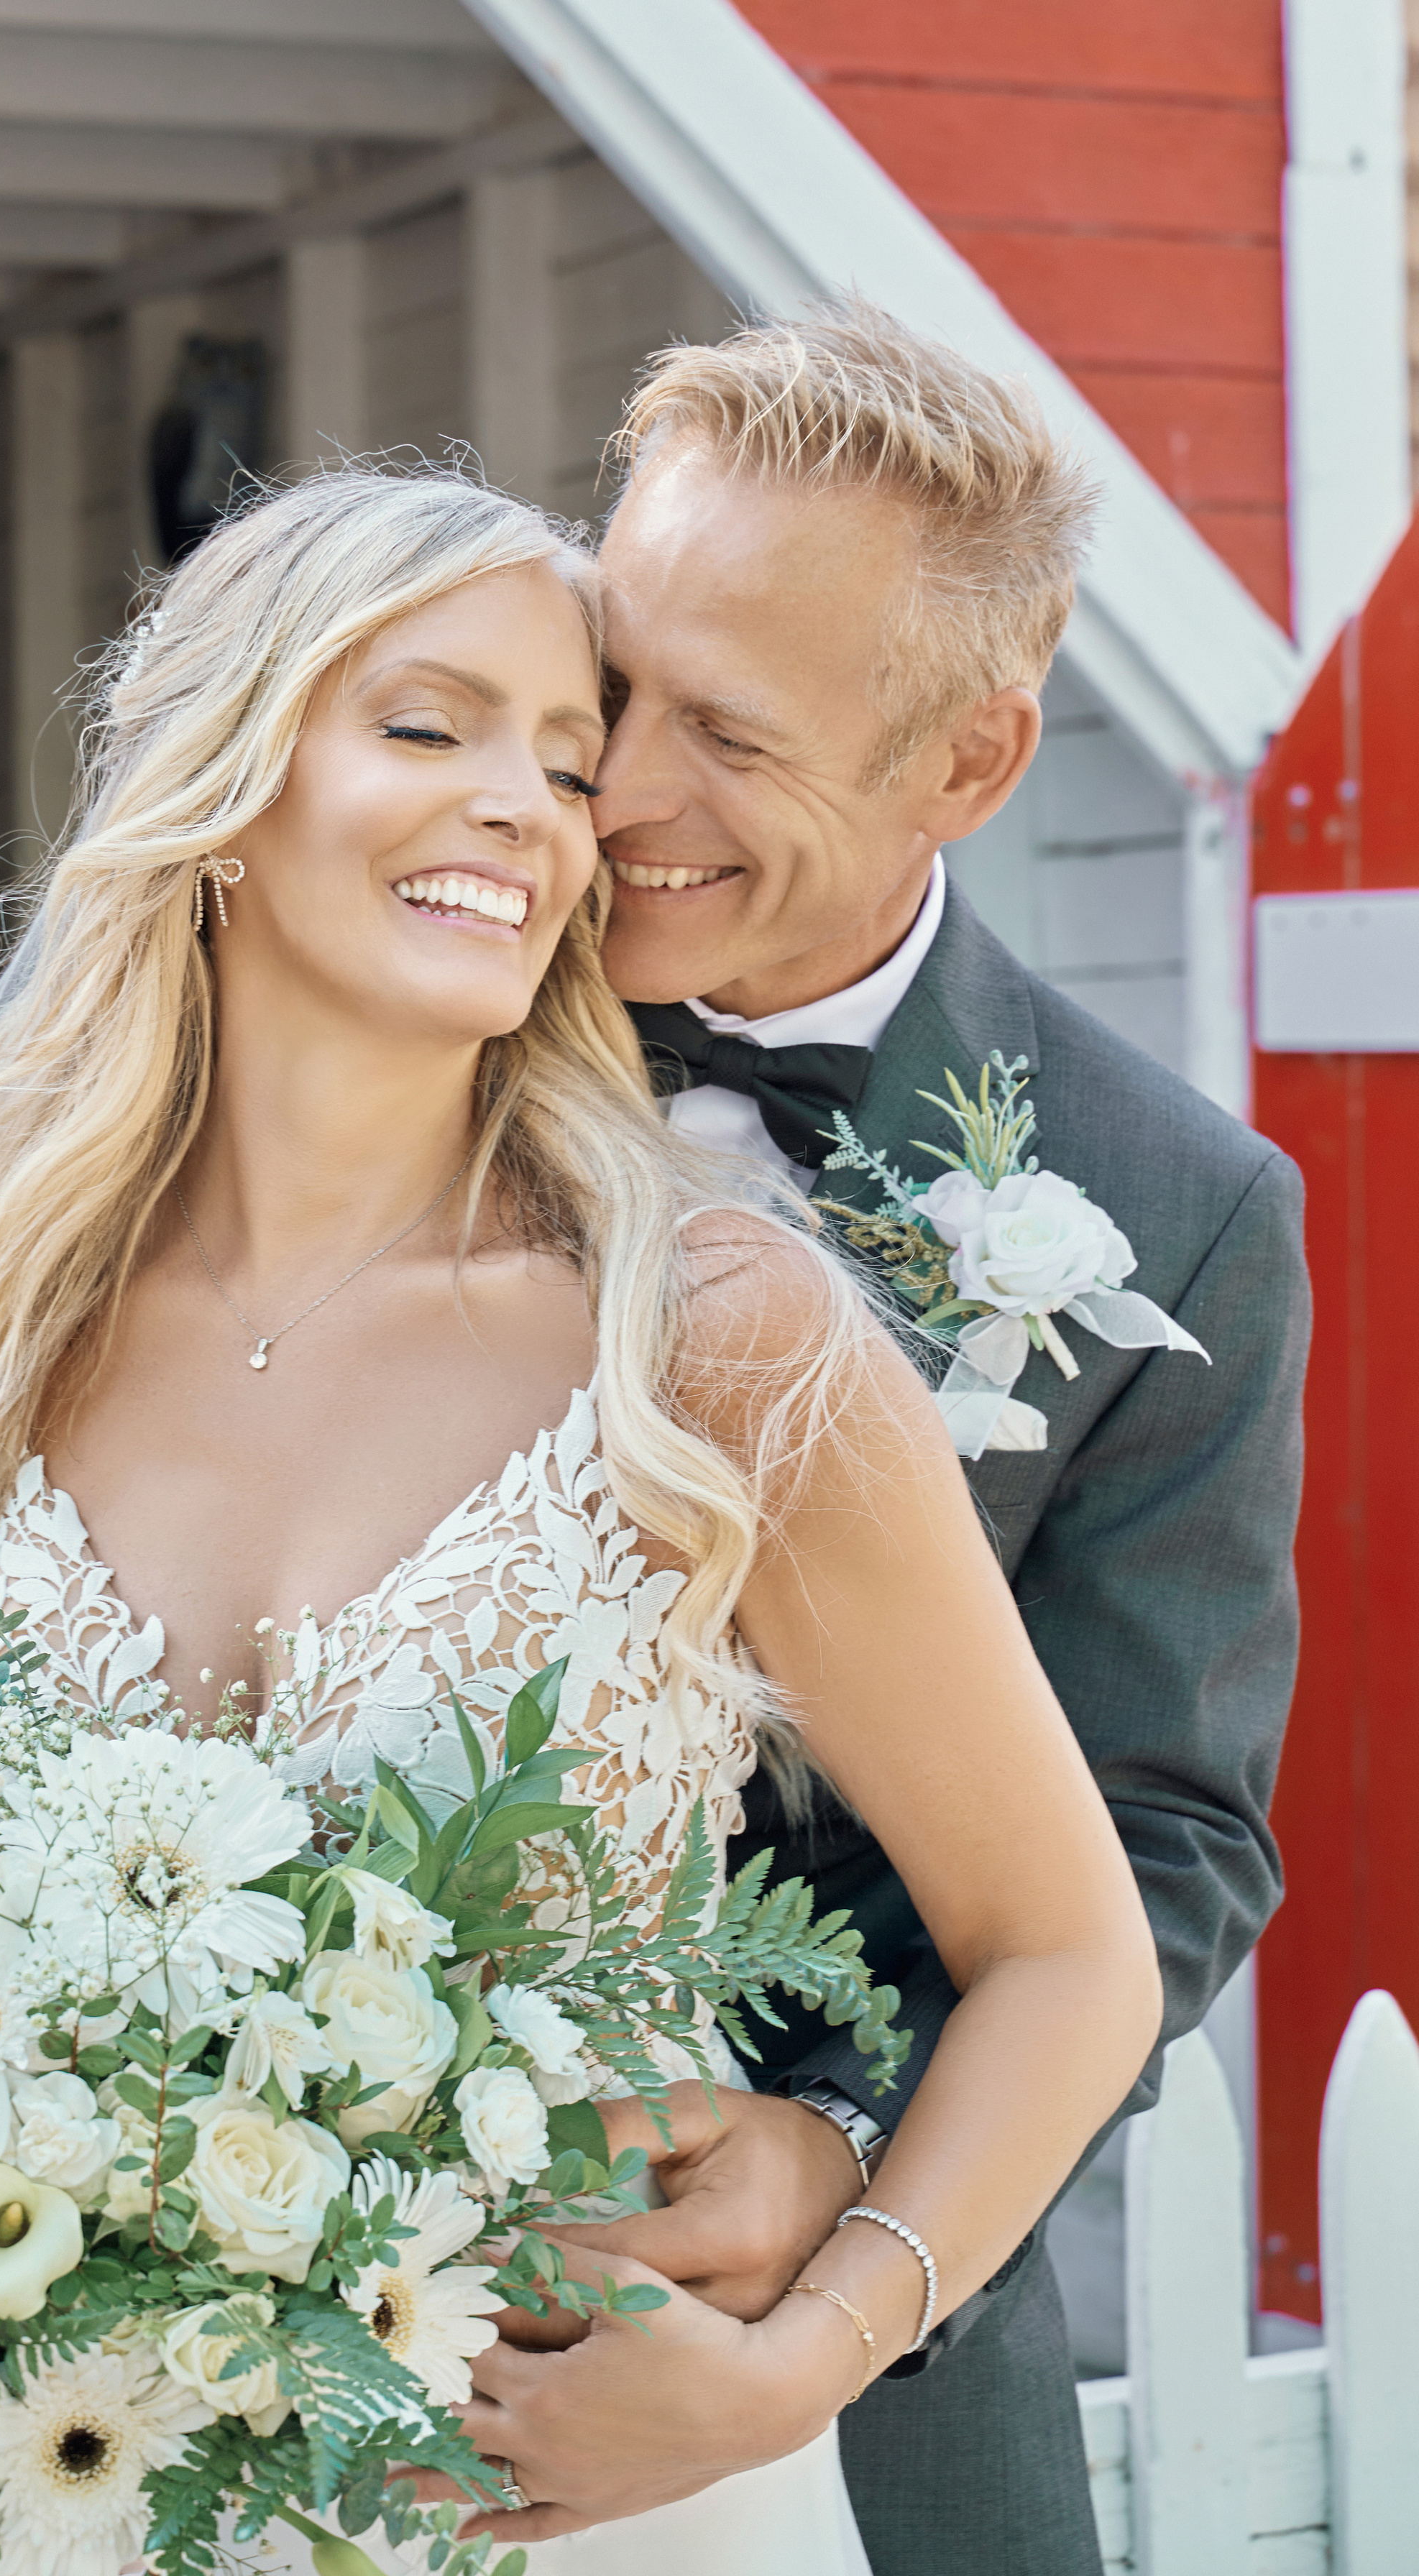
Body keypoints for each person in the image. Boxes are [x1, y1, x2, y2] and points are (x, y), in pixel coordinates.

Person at [0, 465, 1162, 2573]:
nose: (530, 803)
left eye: (566, 766)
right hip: (59, 2486)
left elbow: (1070, 1954)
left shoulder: (709, 1337)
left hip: (579, 2501)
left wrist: (810, 2353)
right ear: (222, 780)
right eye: (429, 726)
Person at [454, 307, 1310, 2573]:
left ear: (970, 759)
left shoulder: (1179, 1215)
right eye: (610, 678)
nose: (614, 792)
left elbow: (1156, 1836)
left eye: (730, 733)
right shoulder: (385, 1021)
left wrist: (840, 2142)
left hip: (864, 2399)